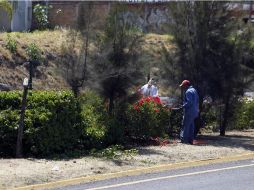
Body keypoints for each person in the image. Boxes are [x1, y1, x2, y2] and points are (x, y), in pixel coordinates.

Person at [178, 80, 199, 144]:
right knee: (191, 126)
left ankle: (184, 140)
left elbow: (189, 102)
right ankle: (190, 140)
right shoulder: (194, 90)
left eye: (183, 86)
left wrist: (183, 106)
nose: (182, 87)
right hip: (195, 111)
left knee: (185, 125)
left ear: (186, 85)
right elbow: (197, 100)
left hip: (189, 111)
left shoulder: (188, 91)